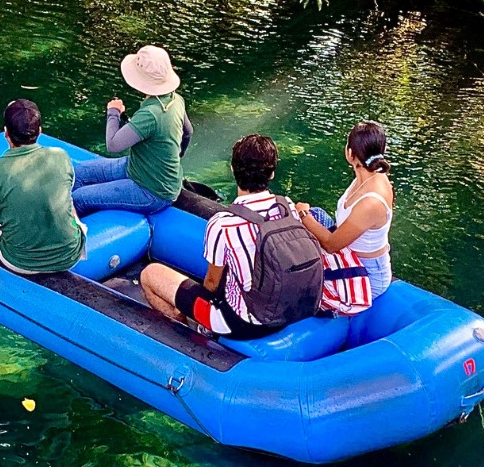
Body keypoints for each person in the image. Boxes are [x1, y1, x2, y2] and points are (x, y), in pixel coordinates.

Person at [141, 134, 319, 337]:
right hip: (288, 310)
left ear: (233, 169)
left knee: (150, 274)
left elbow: (211, 284)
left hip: (241, 323)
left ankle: (185, 338)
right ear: (271, 174)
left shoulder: (222, 224)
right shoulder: (286, 206)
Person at [0, 99, 85, 274]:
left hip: (20, 263)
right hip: (70, 256)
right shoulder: (61, 156)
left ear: (5, 133)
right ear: (39, 131)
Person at [71, 45, 193, 217]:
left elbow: (113, 145)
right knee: (78, 173)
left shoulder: (150, 114)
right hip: (139, 168)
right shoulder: (176, 100)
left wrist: (113, 112)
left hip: (152, 192)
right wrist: (173, 158)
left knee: (78, 198)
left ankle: (77, 234)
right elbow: (188, 132)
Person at [294, 120, 394, 297]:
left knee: (300, 284)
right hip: (348, 253)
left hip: (366, 274)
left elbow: (332, 245)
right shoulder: (367, 175)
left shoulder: (371, 201)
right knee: (316, 213)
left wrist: (303, 214)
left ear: (350, 153)